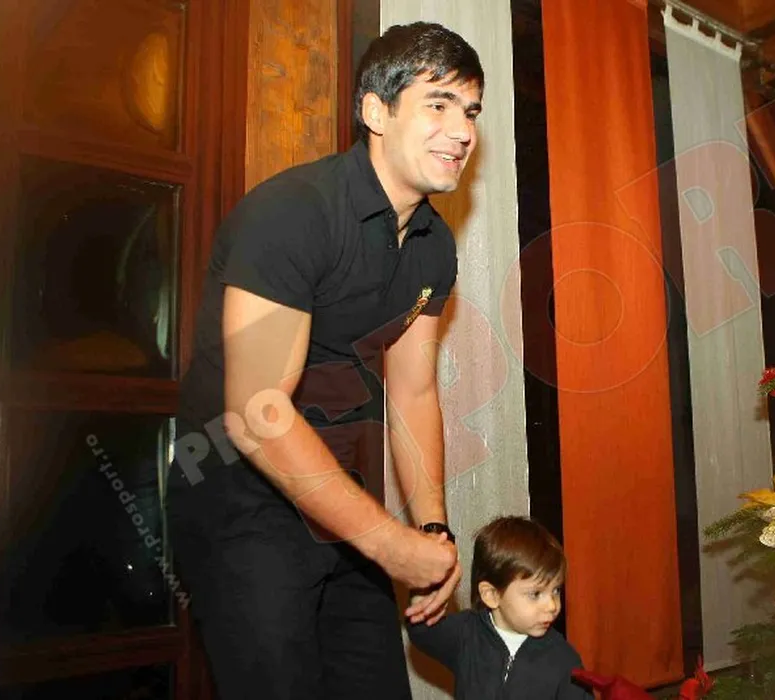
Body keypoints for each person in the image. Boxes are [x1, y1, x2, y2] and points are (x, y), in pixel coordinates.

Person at [165, 21, 484, 700]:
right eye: (438, 104)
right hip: (242, 501)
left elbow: (414, 393)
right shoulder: (293, 213)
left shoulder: (433, 246)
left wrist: (430, 530)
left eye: (471, 111)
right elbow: (257, 414)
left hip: (340, 501)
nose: (462, 132)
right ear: (375, 110)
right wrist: (389, 544)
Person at [407, 516, 593, 699]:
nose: (552, 605)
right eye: (535, 594)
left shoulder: (563, 660)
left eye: (556, 590)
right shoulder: (467, 634)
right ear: (491, 595)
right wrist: (423, 588)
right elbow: (423, 632)